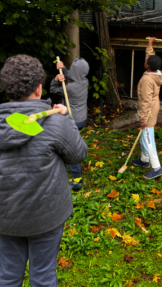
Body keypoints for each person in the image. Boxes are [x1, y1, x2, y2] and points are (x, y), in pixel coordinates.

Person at [0, 54, 88, 286]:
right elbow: (78, 155)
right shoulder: (56, 122)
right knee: (43, 276)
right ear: (39, 89)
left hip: (5, 217)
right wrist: (66, 119)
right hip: (46, 216)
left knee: (7, 276)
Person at [50, 58, 89, 191]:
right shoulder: (84, 81)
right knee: (72, 142)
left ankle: (77, 178)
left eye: (72, 68)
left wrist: (56, 79)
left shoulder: (70, 88)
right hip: (82, 118)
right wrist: (63, 68)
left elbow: (53, 89)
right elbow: (73, 75)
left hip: (73, 120)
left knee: (70, 147)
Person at [132, 37, 162, 179]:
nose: (145, 61)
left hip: (149, 110)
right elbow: (150, 58)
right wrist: (149, 45)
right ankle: (144, 160)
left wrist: (143, 118)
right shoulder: (156, 72)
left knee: (147, 137)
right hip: (154, 105)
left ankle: (157, 168)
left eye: (146, 61)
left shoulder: (146, 80)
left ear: (147, 66)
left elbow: (145, 101)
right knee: (144, 136)